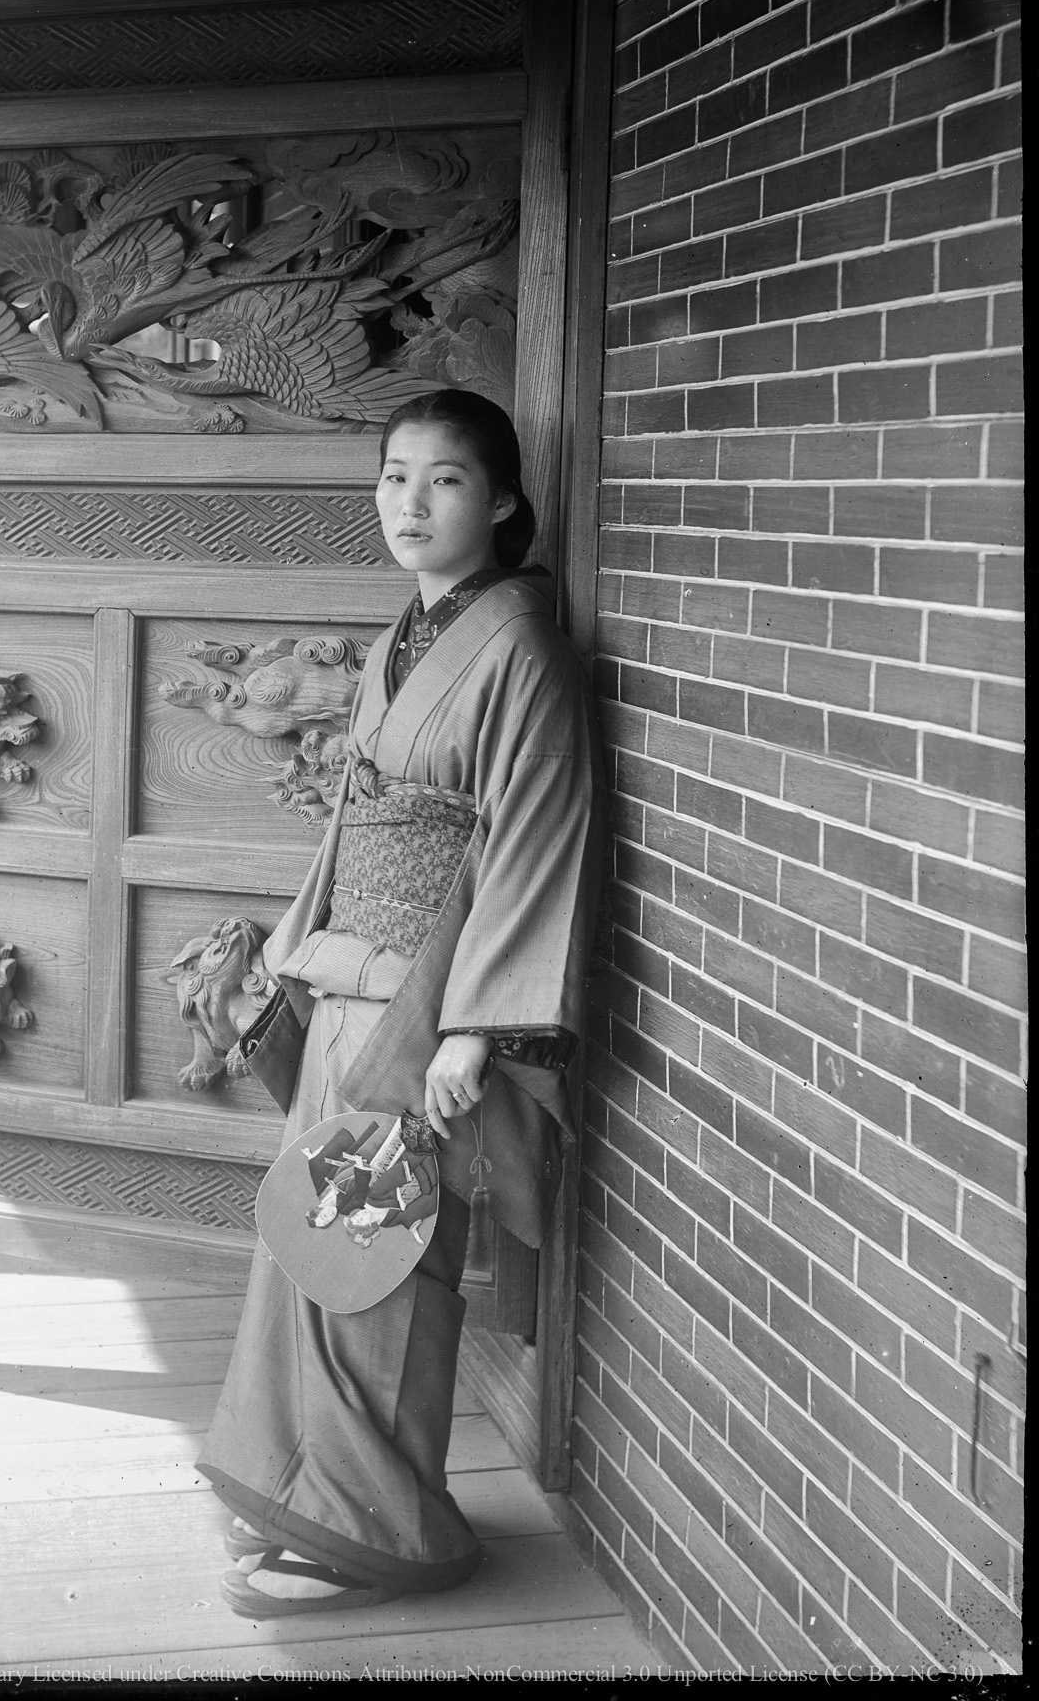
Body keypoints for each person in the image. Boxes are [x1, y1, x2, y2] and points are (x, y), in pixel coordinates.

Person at [196, 389, 606, 1617]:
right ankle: (318, 1491)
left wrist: (475, 1023)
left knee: (374, 1255)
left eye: (443, 481)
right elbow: (353, 815)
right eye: (393, 478)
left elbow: (538, 833)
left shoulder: (522, 647)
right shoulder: (409, 631)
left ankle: (375, 1519)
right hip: (349, 986)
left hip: (420, 1004)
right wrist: (292, 946)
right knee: (314, 1240)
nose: (411, 504)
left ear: (504, 501)